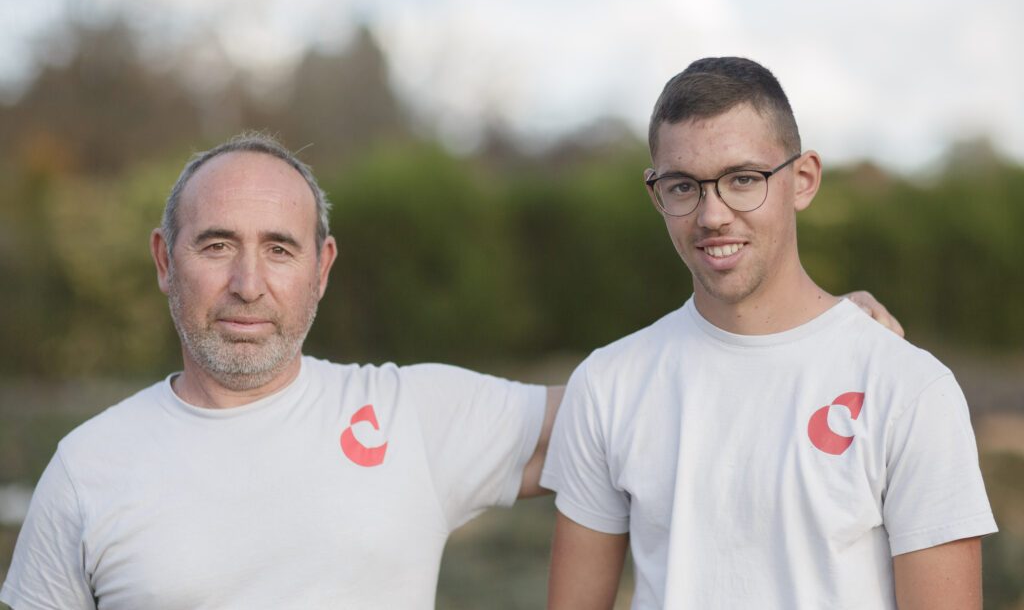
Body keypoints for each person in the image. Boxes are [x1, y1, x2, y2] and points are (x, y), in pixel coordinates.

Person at [1, 131, 898, 609]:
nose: (246, 283)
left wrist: (807, 339)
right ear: (165, 259)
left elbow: (636, 411)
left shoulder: (412, 415)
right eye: (216, 245)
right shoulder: (89, 467)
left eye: (280, 248)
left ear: (322, 268)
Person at [541, 57, 997, 610]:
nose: (713, 216)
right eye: (684, 186)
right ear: (655, 191)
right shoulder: (606, 384)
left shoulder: (906, 387)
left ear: (802, 180)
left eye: (743, 179)